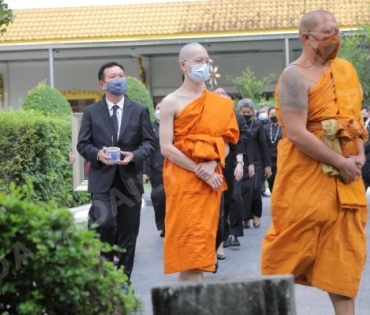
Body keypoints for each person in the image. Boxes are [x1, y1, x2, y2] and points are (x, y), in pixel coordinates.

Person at [261, 10, 368, 315]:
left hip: (345, 184)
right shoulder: (294, 75)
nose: (335, 39)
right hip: (305, 182)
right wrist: (339, 160)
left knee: (343, 265)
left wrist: (358, 154)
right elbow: (295, 132)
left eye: (338, 32)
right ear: (305, 38)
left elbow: (353, 119)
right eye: (326, 33)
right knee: (287, 257)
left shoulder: (345, 70)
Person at [160, 42, 239, 281]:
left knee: (203, 245)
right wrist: (198, 169)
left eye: (207, 60)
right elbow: (166, 147)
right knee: (188, 251)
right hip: (183, 180)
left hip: (210, 180)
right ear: (183, 65)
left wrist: (212, 163)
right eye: (198, 61)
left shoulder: (220, 104)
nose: (204, 65)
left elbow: (227, 140)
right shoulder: (171, 102)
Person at [77, 61, 156, 282]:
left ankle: (123, 279)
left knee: (129, 232)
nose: (118, 80)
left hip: (130, 180)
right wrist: (97, 154)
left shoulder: (139, 111)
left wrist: (135, 155)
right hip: (102, 180)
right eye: (113, 76)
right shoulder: (92, 112)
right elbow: (82, 144)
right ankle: (107, 271)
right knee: (105, 223)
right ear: (102, 84)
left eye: (121, 75)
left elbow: (150, 143)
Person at [239, 98, 272, 228]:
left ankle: (256, 216)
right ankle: (245, 218)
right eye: (243, 112)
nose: (246, 114)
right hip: (242, 161)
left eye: (248, 112)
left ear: (252, 112)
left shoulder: (258, 125)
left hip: (257, 162)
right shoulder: (237, 124)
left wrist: (267, 165)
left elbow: (264, 146)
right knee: (244, 191)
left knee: (256, 189)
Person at [143, 101, 166, 237]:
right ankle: (162, 224)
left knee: (172, 198)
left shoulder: (174, 126)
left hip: (173, 168)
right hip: (156, 168)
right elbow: (146, 150)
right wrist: (144, 171)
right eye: (158, 108)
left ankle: (171, 224)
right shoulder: (150, 127)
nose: (160, 111)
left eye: (162, 109)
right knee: (159, 197)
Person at [262, 107, 282, 193]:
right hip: (269, 161)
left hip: (281, 159)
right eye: (271, 114)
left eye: (275, 113)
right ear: (268, 115)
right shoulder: (264, 128)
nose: (274, 115)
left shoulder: (283, 127)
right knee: (271, 183)